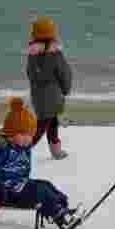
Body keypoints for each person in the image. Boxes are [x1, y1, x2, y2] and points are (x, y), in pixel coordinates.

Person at [0, 97, 77, 229]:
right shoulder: (2, 149)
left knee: (45, 185)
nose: (27, 139)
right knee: (40, 191)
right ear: (10, 134)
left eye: (29, 135)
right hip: (5, 192)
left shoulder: (23, 149)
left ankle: (62, 208)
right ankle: (60, 218)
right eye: (22, 135)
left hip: (20, 187)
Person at [26, 17, 73, 159]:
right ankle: (21, 151)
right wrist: (66, 89)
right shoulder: (55, 53)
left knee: (51, 122)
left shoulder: (32, 53)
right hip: (53, 96)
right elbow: (64, 73)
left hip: (38, 95)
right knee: (41, 127)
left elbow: (30, 74)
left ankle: (56, 151)